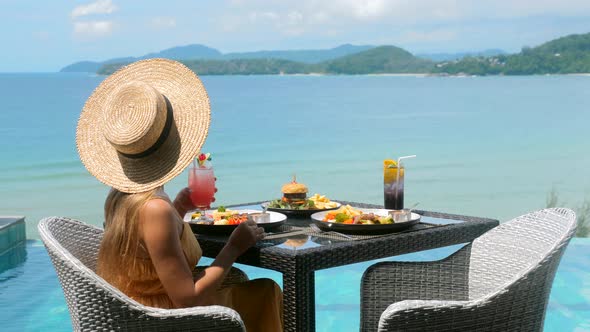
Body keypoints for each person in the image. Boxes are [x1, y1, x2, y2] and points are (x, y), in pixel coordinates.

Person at [75, 59, 282, 331]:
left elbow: (149, 254)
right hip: (164, 322)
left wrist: (180, 207)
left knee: (239, 278)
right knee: (266, 290)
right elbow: (186, 299)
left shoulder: (121, 196)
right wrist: (234, 246)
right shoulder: (154, 210)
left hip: (135, 310)